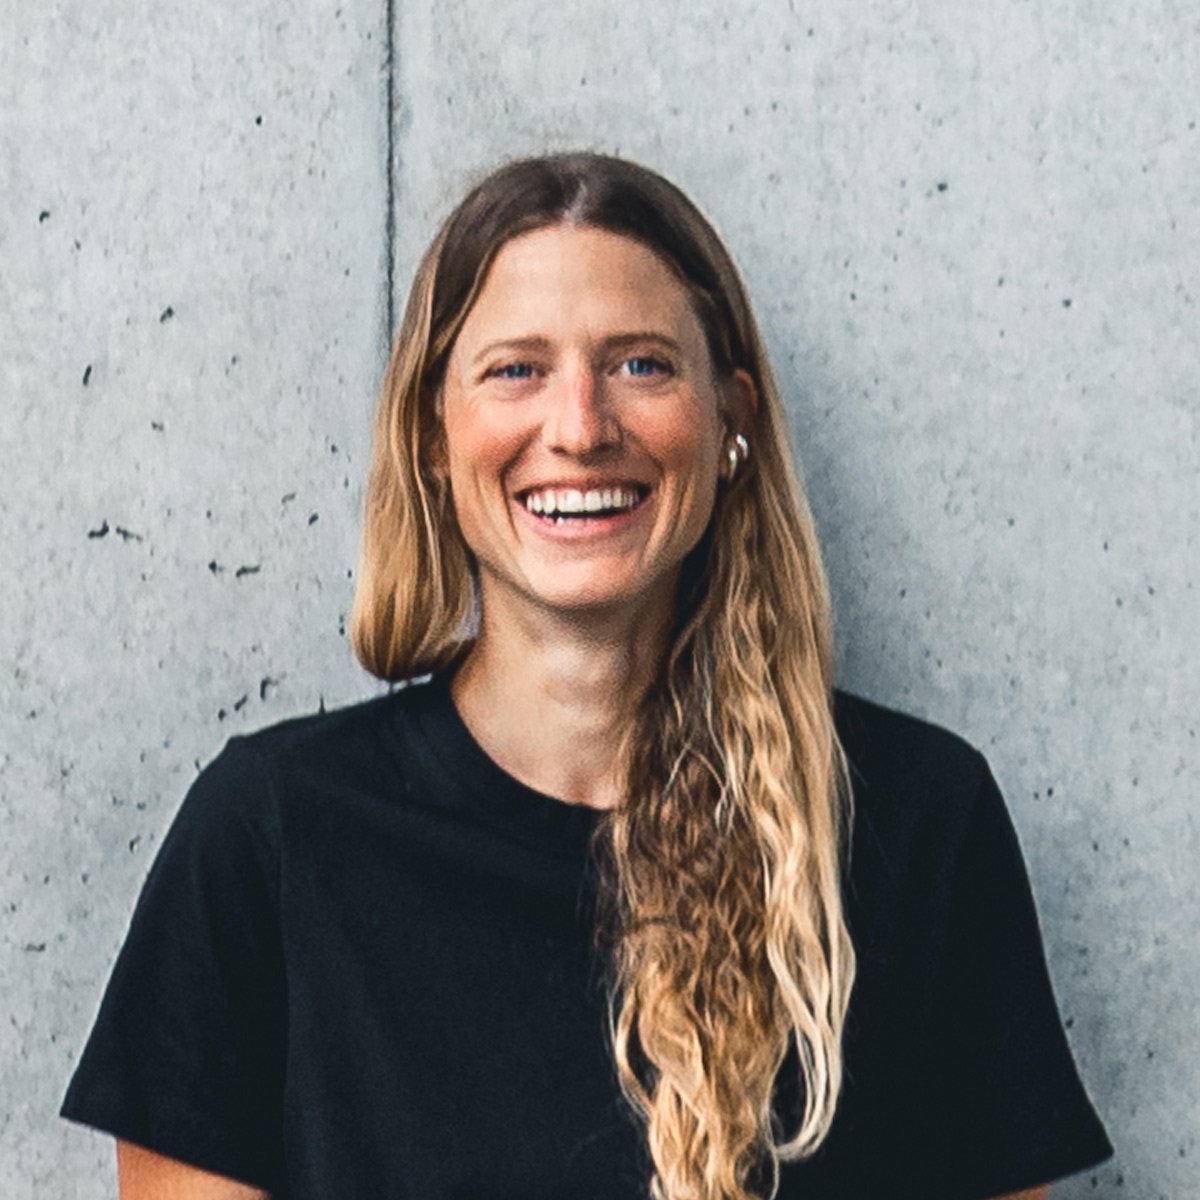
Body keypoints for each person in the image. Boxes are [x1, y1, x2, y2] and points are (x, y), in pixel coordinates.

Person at [61, 152, 1112, 1200]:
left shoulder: (917, 824)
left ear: (732, 418)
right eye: (516, 370)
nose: (578, 428)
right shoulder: (271, 837)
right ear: (432, 434)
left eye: (641, 365)